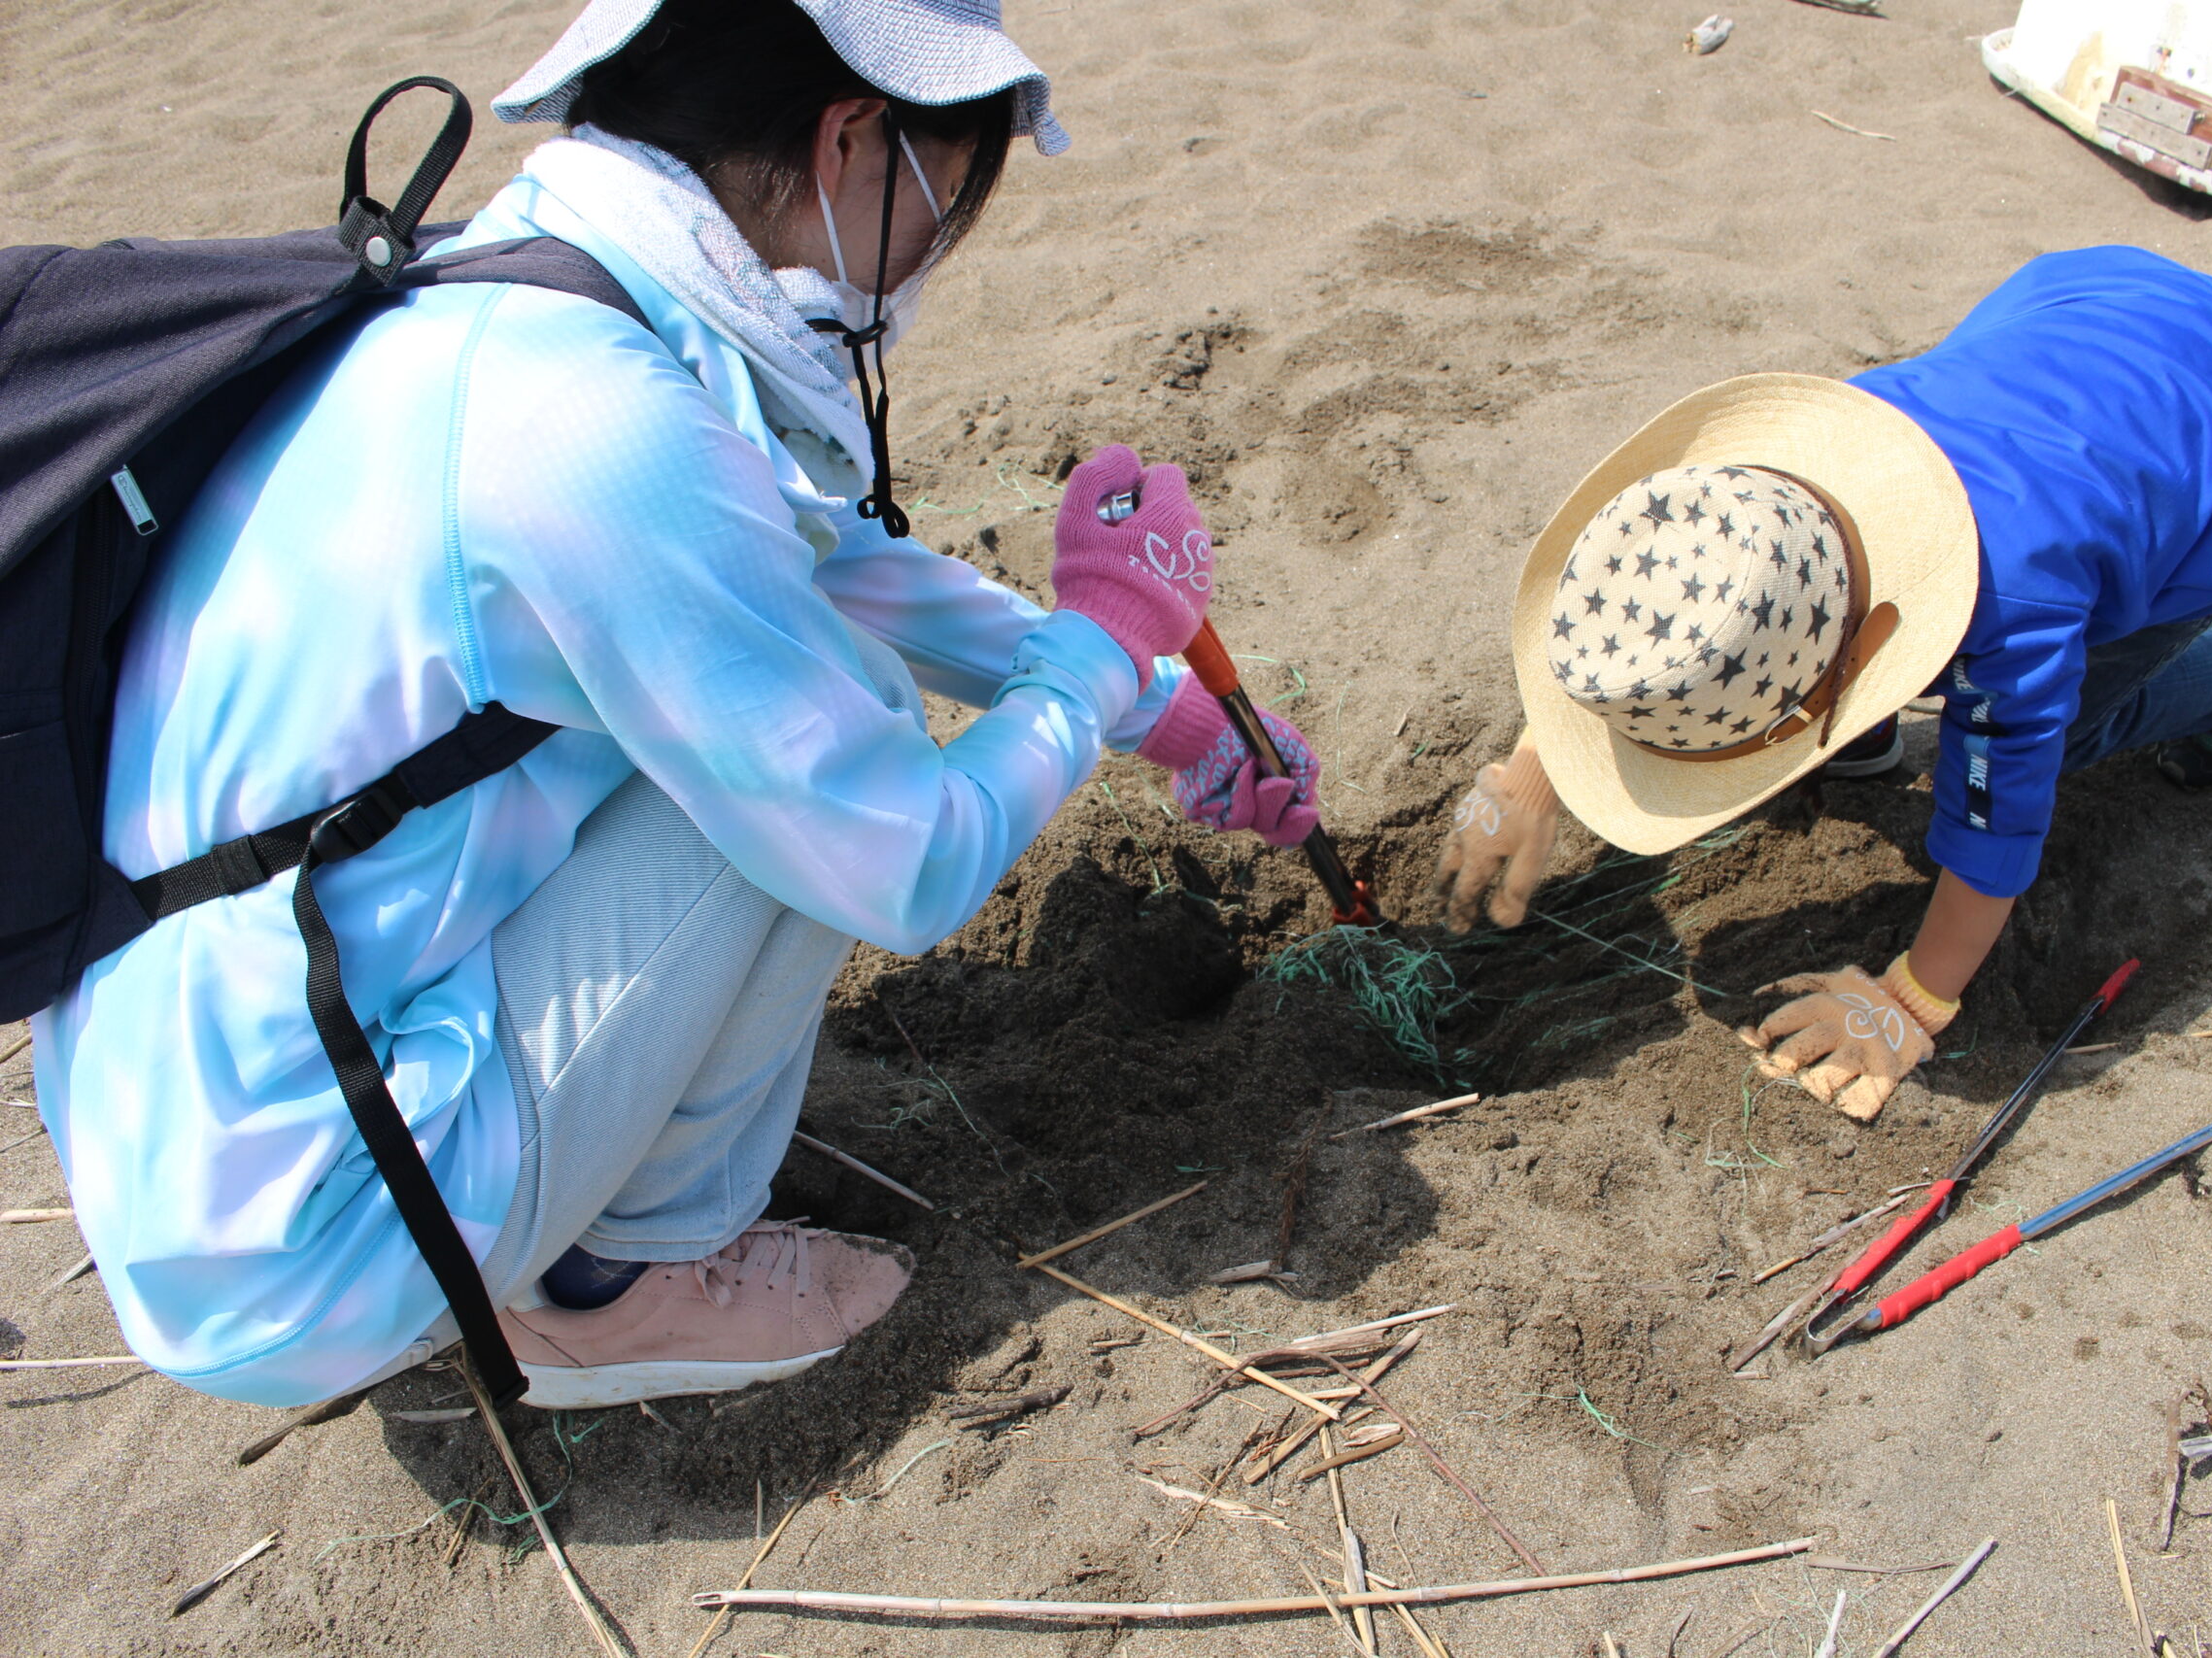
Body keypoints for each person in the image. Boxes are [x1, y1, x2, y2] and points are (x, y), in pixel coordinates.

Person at [29, 0, 1319, 1411]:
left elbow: (812, 557)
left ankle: (570, 1205)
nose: (932, 258)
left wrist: (1158, 709)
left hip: (192, 1120)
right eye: (942, 207)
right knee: (832, 735)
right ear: (851, 138)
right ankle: (624, 1282)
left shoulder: (506, 293)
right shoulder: (593, 425)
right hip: (304, 1237)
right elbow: (907, 857)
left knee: (780, 687)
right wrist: (1096, 645)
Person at [1434, 247, 2212, 1123]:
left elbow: (2002, 813)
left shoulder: (2014, 606)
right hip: (2104, 309)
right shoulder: (1792, 494)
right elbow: (1657, 607)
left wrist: (1913, 999)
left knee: (2067, 729)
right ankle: (1863, 738)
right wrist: (1536, 770)